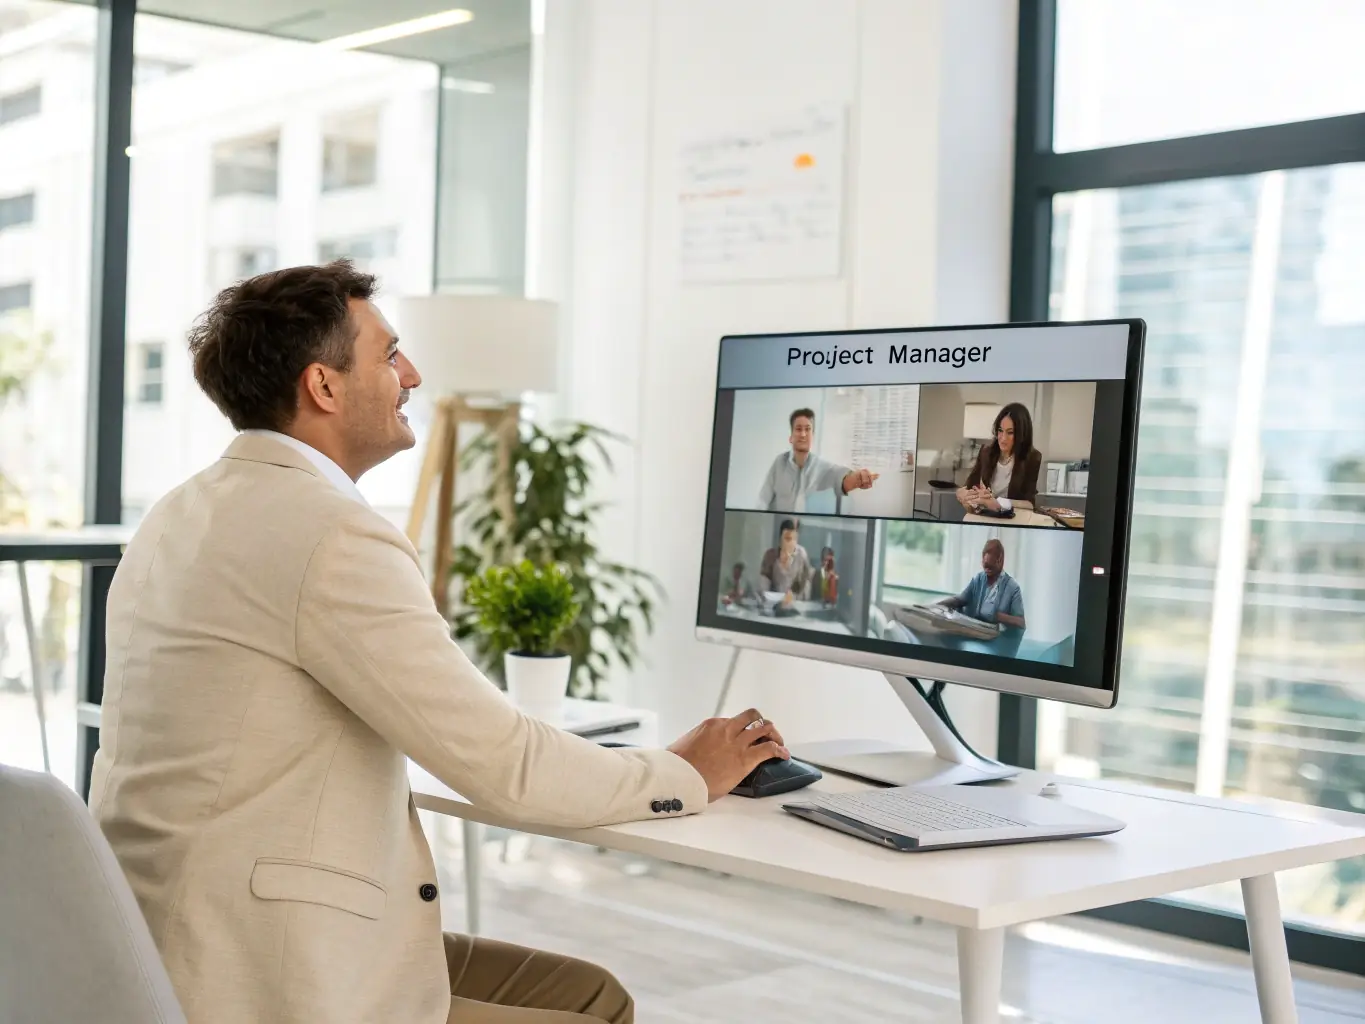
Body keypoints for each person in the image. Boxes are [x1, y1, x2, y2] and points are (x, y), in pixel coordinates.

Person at [86, 261, 790, 1024]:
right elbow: (507, 769)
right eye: (388, 355)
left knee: (591, 993)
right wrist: (684, 771)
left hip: (153, 936)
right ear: (323, 387)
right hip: (261, 970)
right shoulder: (331, 532)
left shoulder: (181, 510)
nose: (412, 374)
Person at [757, 407, 878, 511]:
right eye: (798, 429)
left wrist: (858, 478)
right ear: (791, 437)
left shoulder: (820, 466)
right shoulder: (779, 463)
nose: (803, 434)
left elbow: (840, 476)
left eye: (808, 429)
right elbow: (763, 500)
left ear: (812, 436)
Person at [956, 402, 1041, 513]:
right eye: (1000, 430)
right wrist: (961, 493)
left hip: (1014, 518)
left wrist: (998, 502)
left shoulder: (1032, 458)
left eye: (1010, 433)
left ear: (1022, 435)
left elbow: (1029, 504)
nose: (1003, 438)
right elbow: (968, 486)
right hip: (985, 515)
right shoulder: (986, 452)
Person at [938, 539, 1026, 629]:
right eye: (985, 566)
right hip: (971, 630)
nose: (987, 571)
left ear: (1000, 560)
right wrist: (937, 605)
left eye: (990, 567)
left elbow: (1021, 623)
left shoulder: (1013, 588)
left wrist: (999, 617)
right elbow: (960, 599)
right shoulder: (979, 579)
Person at [758, 518, 813, 603]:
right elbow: (763, 585)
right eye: (787, 539)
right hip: (775, 602)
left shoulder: (801, 554)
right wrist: (765, 596)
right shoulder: (771, 555)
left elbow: (806, 580)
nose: (790, 543)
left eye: (793, 539)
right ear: (780, 538)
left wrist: (800, 596)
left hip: (795, 601)